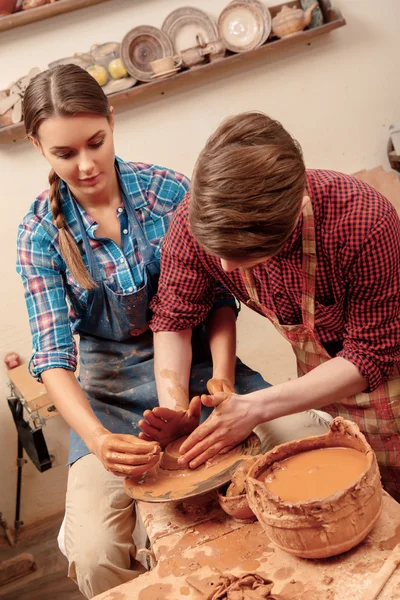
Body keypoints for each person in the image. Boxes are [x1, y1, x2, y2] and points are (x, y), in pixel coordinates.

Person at [17, 67, 269, 598]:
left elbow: (221, 299)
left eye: (97, 143)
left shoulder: (169, 191)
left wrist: (222, 379)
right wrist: (99, 440)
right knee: (94, 556)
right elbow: (53, 359)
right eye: (65, 154)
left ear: (112, 120)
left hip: (200, 371)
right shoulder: (38, 234)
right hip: (109, 398)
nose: (86, 166)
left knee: (288, 456)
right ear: (37, 146)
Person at [147, 112, 400, 501]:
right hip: (323, 386)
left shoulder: (364, 221)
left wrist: (256, 407)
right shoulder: (197, 220)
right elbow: (174, 316)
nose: (227, 267)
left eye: (244, 255)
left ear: (295, 214)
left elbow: (371, 354)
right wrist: (177, 407)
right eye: (219, 253)